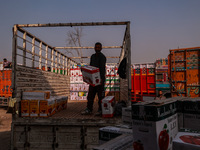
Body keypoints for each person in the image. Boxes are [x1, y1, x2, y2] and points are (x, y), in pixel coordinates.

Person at [81, 42, 106, 116]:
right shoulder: (92, 56)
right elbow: (91, 67)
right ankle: (89, 109)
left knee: (100, 96)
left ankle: (100, 110)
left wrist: (101, 79)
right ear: (94, 48)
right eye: (96, 47)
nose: (97, 49)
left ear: (101, 48)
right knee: (90, 95)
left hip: (99, 79)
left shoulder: (103, 57)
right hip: (92, 79)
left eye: (99, 47)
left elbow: (102, 69)